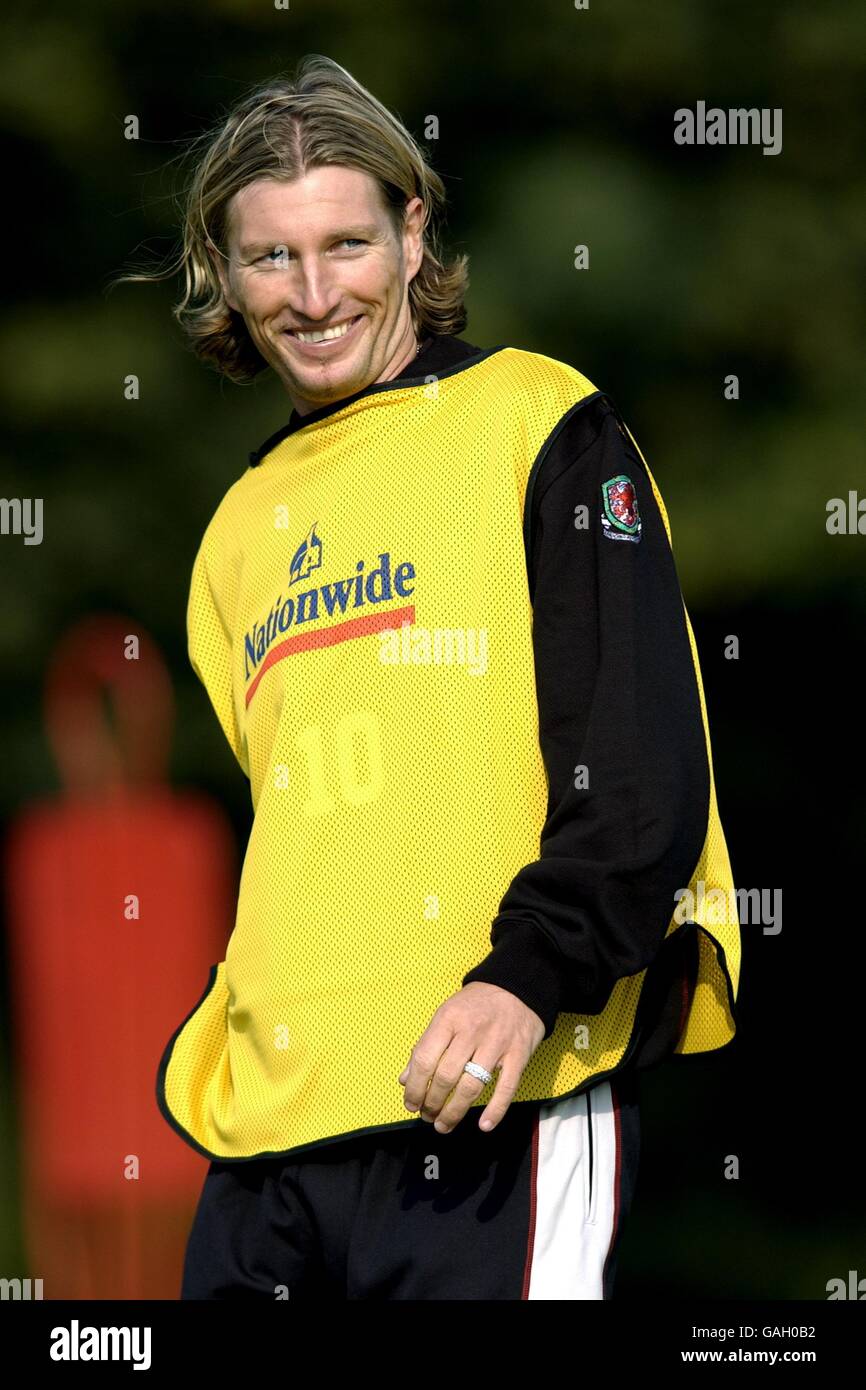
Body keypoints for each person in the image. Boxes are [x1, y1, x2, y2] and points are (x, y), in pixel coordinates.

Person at [119, 54, 740, 1300]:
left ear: (411, 235)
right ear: (222, 280)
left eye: (344, 243)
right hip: (268, 1140)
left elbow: (637, 761)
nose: (311, 293)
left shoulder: (537, 424)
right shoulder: (237, 528)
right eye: (269, 258)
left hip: (491, 1093)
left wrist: (528, 975)